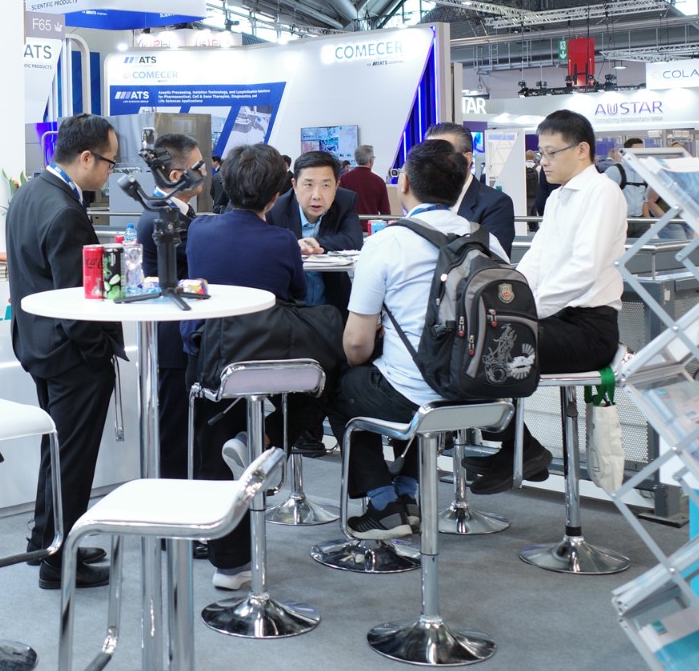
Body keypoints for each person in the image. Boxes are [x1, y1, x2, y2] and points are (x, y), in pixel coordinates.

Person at [334, 141, 509, 538]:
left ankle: (384, 504)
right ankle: (407, 492)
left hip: (415, 396)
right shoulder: (486, 240)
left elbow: (357, 343)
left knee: (346, 388)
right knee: (401, 383)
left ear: (405, 183)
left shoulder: (387, 243)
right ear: (462, 185)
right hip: (481, 392)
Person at [468, 110, 625, 496]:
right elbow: (534, 263)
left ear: (582, 150)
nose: (544, 162)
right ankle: (518, 446)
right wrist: (509, 301)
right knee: (472, 341)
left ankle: (520, 449)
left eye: (551, 153)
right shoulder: (558, 199)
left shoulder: (602, 193)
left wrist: (523, 313)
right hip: (553, 321)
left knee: (487, 350)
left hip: (588, 329)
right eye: (541, 154)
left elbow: (584, 270)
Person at [5, 112, 124, 590]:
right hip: (73, 355)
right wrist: (98, 352)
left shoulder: (30, 192)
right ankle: (60, 563)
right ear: (87, 157)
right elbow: (79, 303)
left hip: (39, 345)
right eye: (110, 162)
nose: (111, 172)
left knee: (56, 450)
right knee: (72, 458)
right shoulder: (65, 211)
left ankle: (47, 540)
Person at [184, 142, 306, 590]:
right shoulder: (282, 240)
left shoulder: (199, 229)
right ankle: (268, 440)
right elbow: (295, 295)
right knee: (318, 392)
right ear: (276, 195)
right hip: (264, 361)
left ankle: (228, 562)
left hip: (207, 359)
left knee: (212, 451)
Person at [134, 132, 205, 479]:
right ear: (177, 176)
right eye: (200, 167)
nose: (206, 173)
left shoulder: (177, 213)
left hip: (180, 335)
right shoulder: (162, 218)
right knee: (174, 435)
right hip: (172, 338)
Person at [267, 149, 364, 316]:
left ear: (336, 186)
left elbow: (353, 241)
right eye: (308, 185)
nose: (317, 195)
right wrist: (293, 246)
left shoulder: (345, 201)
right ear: (294, 185)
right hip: (287, 310)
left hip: (333, 308)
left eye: (326, 185)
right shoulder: (276, 210)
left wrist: (313, 244)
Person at [425, 123, 516, 256]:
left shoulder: (495, 204)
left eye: (442, 155)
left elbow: (489, 260)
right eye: (429, 156)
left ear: (467, 159)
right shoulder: (423, 199)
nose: (433, 163)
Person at [603, 138, 661, 233]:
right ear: (627, 152)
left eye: (641, 152)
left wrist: (648, 221)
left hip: (641, 221)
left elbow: (645, 199)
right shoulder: (615, 171)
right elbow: (605, 197)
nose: (639, 155)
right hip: (621, 221)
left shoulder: (644, 172)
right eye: (636, 152)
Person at [339, 144, 392, 217]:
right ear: (371, 160)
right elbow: (385, 212)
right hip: (371, 223)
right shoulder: (379, 181)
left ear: (356, 159)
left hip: (348, 222)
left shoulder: (343, 178)